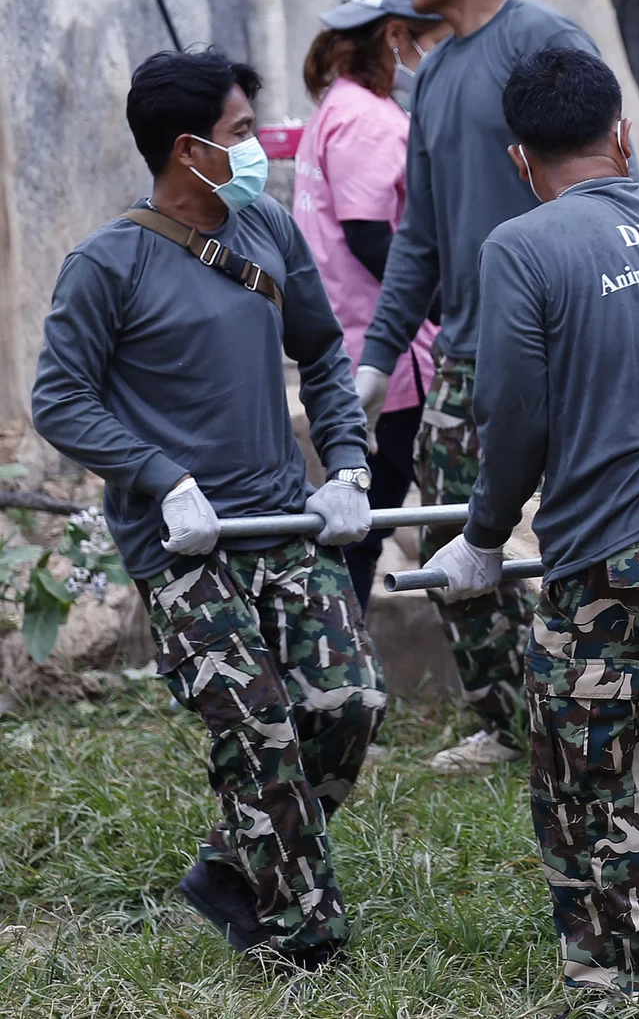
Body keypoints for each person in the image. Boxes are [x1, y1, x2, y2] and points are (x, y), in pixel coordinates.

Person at [31, 49, 382, 968]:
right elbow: (61, 400)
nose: (260, 148)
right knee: (257, 721)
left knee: (349, 701)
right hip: (184, 544)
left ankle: (232, 864)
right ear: (189, 150)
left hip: (281, 522)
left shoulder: (265, 227)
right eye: (239, 134)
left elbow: (324, 353)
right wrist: (160, 475)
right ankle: (305, 937)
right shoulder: (108, 263)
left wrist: (346, 465)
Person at [420, 47, 639, 1002]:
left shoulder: (520, 246)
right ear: (621, 133)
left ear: (519, 158)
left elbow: (515, 414)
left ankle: (624, 968)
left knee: (583, 769)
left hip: (623, 547)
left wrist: (484, 536)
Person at [356, 0, 601, 773]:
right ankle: (507, 718)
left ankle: (598, 701)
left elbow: (594, 188)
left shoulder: (543, 42)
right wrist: (377, 359)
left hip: (566, 340)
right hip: (464, 351)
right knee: (447, 534)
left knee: (585, 525)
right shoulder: (432, 77)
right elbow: (418, 237)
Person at [293, 0, 452, 609]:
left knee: (369, 516)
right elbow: (370, 236)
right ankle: (341, 663)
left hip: (364, 341)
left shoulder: (345, 104)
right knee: (372, 520)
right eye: (428, 35)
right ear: (395, 35)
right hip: (388, 355)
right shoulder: (365, 119)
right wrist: (447, 305)